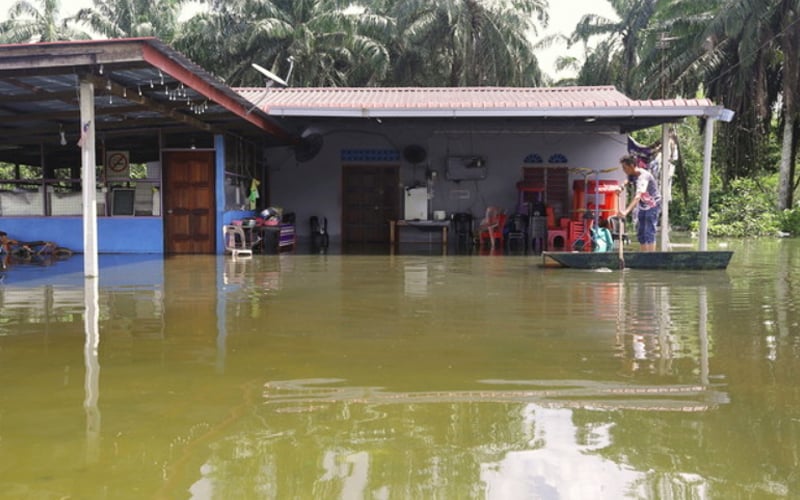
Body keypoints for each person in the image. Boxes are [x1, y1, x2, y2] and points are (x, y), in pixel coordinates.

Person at [617, 154, 661, 251]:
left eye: (625, 168)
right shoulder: (633, 174)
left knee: (649, 231)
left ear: (632, 166)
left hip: (653, 205)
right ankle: (643, 255)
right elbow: (628, 179)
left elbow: (638, 196)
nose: (624, 170)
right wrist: (621, 186)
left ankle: (650, 255)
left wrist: (625, 212)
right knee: (641, 231)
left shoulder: (643, 177)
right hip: (643, 205)